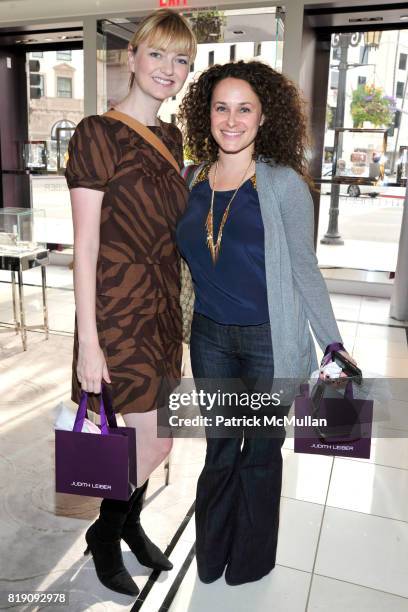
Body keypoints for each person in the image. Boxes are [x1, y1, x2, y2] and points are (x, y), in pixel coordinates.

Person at [176, 60, 358, 586]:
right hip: (209, 338)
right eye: (221, 107)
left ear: (263, 117)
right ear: (206, 114)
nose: (231, 120)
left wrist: (333, 344)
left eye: (244, 109)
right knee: (218, 453)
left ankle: (251, 562)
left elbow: (305, 269)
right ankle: (211, 557)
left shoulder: (282, 185)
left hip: (267, 344)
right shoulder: (192, 179)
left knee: (258, 454)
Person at [65, 9, 196, 597]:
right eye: (159, 54)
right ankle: (104, 532)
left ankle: (129, 524)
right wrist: (88, 341)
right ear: (133, 57)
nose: (169, 69)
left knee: (154, 436)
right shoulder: (97, 132)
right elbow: (85, 244)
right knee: (153, 441)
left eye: (182, 59)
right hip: (118, 313)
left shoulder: (173, 139)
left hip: (163, 310)